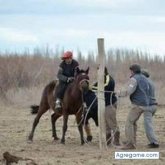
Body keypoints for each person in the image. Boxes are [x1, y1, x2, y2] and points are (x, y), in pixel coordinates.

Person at [119, 64, 159, 150]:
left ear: (132, 71)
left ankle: (131, 144)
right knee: (137, 122)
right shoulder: (146, 80)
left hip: (139, 105)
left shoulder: (134, 79)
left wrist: (118, 93)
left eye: (130, 71)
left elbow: (129, 91)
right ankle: (134, 141)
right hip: (149, 105)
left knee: (129, 122)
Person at [90, 67, 120, 146]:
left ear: (103, 71)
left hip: (110, 103)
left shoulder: (108, 79)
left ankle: (117, 142)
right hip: (104, 104)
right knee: (106, 124)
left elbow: (103, 86)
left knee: (112, 123)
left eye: (99, 71)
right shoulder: (101, 79)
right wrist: (90, 87)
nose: (97, 73)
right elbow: (94, 86)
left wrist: (91, 87)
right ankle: (108, 142)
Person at [141, 69, 159, 148]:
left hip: (148, 106)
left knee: (148, 125)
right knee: (149, 124)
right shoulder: (151, 82)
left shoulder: (144, 82)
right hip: (154, 105)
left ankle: (154, 142)